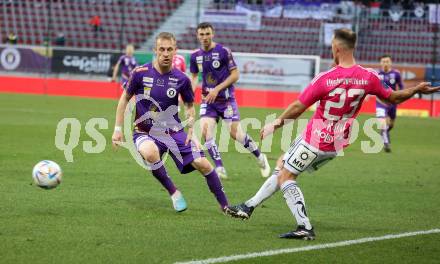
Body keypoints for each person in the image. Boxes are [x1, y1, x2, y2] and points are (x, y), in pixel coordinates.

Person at [225, 28, 439, 240]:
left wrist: (275, 124)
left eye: (332, 48)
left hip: (316, 140)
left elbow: (299, 106)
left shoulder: (325, 78)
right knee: (283, 163)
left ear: (337, 48)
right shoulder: (369, 77)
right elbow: (392, 97)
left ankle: (304, 227)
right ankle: (248, 206)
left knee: (286, 177)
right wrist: (416, 89)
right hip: (336, 143)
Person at [112, 32, 232, 213]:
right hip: (145, 132)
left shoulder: (181, 79)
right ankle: (174, 192)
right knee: (150, 152)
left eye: (170, 49)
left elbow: (190, 107)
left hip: (174, 132)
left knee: (204, 164)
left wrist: (192, 129)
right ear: (155, 51)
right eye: (162, 49)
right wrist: (117, 129)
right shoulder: (139, 73)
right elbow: (123, 100)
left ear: (175, 51)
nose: (166, 53)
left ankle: (226, 206)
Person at [190, 22, 270, 180]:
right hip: (208, 100)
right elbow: (193, 77)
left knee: (236, 134)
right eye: (202, 34)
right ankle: (219, 168)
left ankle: (261, 158)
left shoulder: (223, 51)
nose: (205, 37)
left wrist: (217, 88)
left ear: (212, 34)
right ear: (197, 36)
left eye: (207, 34)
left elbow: (235, 75)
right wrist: (188, 96)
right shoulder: (195, 56)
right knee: (206, 132)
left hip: (226, 99)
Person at [376, 55, 404, 152]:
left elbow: (401, 86)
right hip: (381, 103)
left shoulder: (396, 74)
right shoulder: (377, 74)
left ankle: (384, 133)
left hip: (393, 103)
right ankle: (386, 143)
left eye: (387, 61)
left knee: (391, 124)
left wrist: (401, 97)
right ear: (380, 63)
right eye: (383, 61)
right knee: (384, 122)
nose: (385, 63)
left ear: (390, 62)